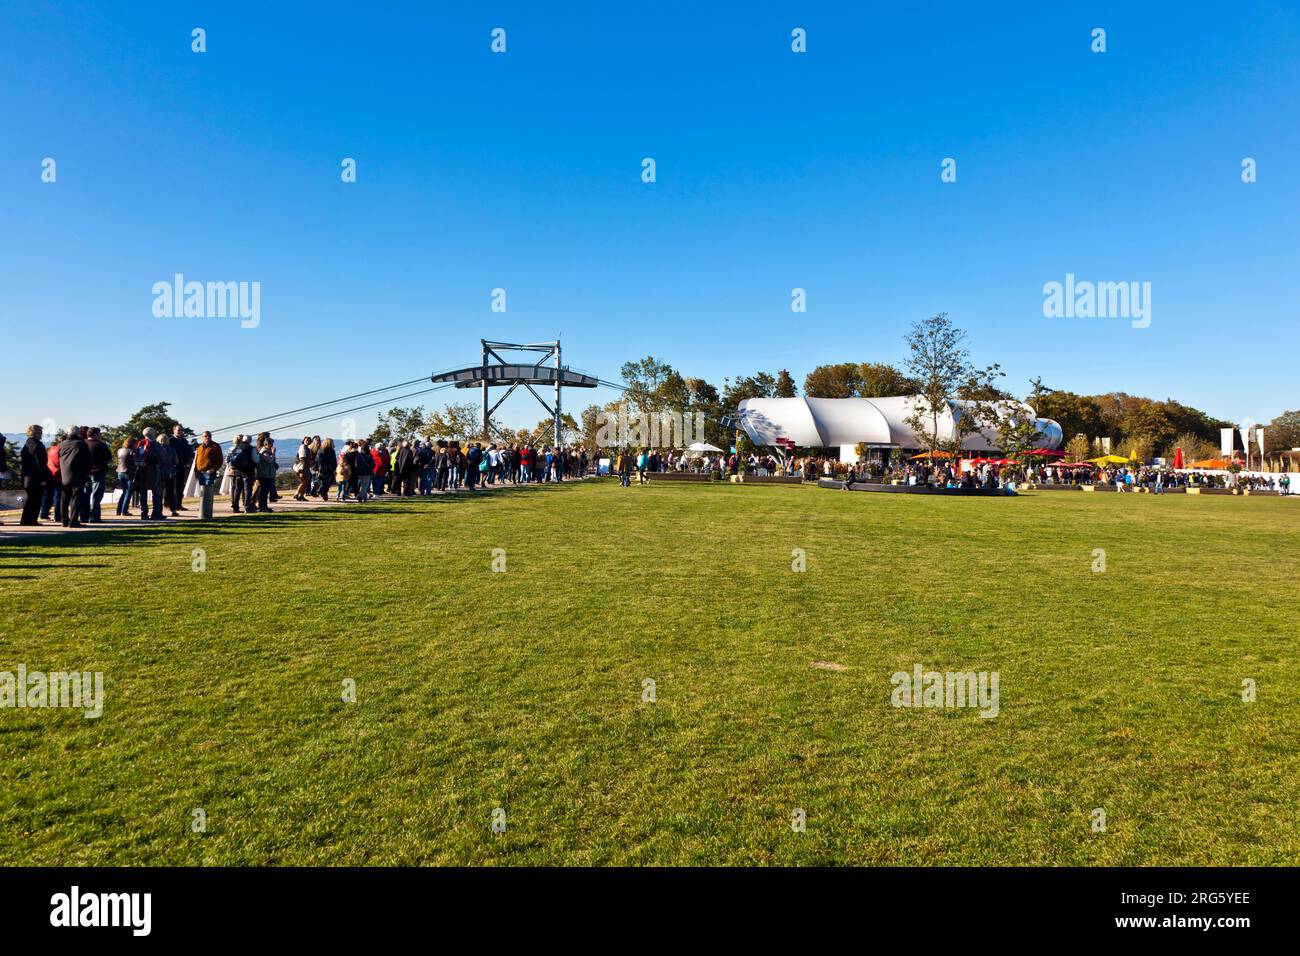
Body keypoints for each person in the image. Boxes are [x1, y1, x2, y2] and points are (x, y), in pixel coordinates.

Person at [57, 426, 89, 527]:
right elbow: (87, 459)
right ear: (78, 433)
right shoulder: (80, 444)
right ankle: (73, 520)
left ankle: (64, 520)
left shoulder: (62, 444)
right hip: (78, 473)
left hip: (64, 473)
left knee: (64, 498)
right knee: (76, 498)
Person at [19, 425, 49, 525]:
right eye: (40, 432)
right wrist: (44, 478)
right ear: (35, 433)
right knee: (36, 500)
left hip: (26, 476)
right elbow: (41, 463)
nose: (41, 435)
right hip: (36, 477)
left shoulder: (27, 444)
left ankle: (25, 520)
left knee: (30, 499)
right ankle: (31, 520)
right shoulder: (38, 445)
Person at [85, 427, 112, 522]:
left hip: (85, 472)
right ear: (96, 434)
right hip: (98, 472)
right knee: (97, 496)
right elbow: (109, 457)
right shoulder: (101, 445)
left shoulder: (82, 444)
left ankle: (84, 515)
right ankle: (94, 516)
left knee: (85, 494)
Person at [168, 424, 193, 513]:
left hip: (181, 466)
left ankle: (179, 505)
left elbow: (189, 453)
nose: (180, 432)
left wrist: (188, 463)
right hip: (171, 467)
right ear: (174, 431)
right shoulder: (170, 441)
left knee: (180, 486)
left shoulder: (184, 441)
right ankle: (169, 504)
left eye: (181, 430)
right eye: (179, 430)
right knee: (171, 486)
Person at [226, 435, 253, 512]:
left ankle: (235, 507)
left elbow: (229, 459)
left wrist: (231, 467)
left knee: (237, 489)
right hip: (246, 470)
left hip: (237, 470)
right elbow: (254, 459)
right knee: (247, 488)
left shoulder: (234, 449)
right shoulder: (248, 448)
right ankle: (247, 506)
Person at [254, 435, 278, 512]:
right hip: (263, 475)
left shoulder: (268, 451)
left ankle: (265, 507)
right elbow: (270, 460)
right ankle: (262, 507)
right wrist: (273, 453)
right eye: (271, 444)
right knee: (263, 492)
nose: (272, 446)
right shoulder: (264, 451)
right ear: (266, 444)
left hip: (268, 474)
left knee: (266, 491)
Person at [115, 436, 137, 517]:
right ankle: (124, 511)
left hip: (120, 472)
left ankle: (119, 510)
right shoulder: (131, 451)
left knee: (124, 492)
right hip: (129, 472)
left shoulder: (119, 450)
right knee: (128, 492)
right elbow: (134, 462)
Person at [293, 435, 314, 501]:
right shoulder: (303, 447)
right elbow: (302, 458)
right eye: (306, 440)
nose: (307, 441)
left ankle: (301, 495)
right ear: (303, 441)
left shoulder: (307, 448)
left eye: (309, 440)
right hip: (302, 467)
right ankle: (297, 493)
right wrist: (309, 463)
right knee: (304, 481)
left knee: (306, 481)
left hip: (306, 466)